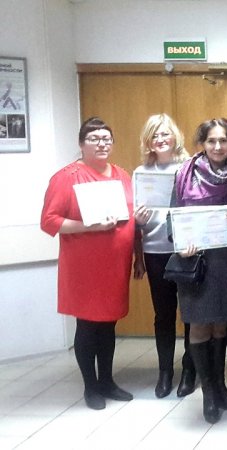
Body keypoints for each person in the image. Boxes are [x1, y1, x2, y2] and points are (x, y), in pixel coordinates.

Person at [40, 117, 136, 410]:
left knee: (108, 325)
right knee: (87, 326)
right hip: (84, 267)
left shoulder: (122, 175)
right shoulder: (66, 177)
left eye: (106, 138)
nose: (101, 143)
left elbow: (131, 216)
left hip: (115, 265)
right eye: (94, 138)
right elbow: (49, 221)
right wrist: (89, 226)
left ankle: (107, 381)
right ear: (81, 144)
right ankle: (90, 386)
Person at [172, 118, 227, 424]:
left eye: (223, 140)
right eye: (211, 141)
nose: (218, 146)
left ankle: (220, 389)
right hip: (196, 261)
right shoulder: (185, 173)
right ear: (202, 143)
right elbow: (173, 217)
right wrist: (181, 245)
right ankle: (208, 394)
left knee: (220, 328)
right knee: (200, 327)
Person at [131, 114, 191, 399]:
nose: (161, 139)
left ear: (174, 136)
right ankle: (165, 371)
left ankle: (190, 369)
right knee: (163, 315)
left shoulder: (188, 168)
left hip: (186, 250)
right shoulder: (141, 172)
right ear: (148, 141)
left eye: (165, 133)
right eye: (155, 135)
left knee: (190, 313)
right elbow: (135, 221)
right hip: (155, 251)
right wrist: (139, 222)